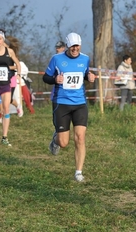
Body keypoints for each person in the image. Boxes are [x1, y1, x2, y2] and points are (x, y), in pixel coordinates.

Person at [42, 32, 95, 182]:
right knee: (64, 142)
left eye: (77, 46)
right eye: (72, 46)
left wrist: (89, 77)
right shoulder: (56, 59)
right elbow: (45, 77)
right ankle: (56, 140)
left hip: (80, 103)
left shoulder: (85, 59)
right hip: (62, 103)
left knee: (80, 137)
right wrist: (54, 79)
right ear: (67, 46)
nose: (75, 49)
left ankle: (78, 172)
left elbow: (85, 73)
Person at [0, 29, 21, 146]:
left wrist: (18, 75)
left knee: (6, 109)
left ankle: (4, 137)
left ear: (3, 40)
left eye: (0, 39)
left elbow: (17, 63)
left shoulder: (9, 51)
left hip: (5, 85)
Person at [6, 35, 35, 115]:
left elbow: (18, 66)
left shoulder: (13, 55)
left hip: (16, 80)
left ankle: (24, 108)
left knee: (25, 96)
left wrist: (10, 68)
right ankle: (0, 115)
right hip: (2, 79)